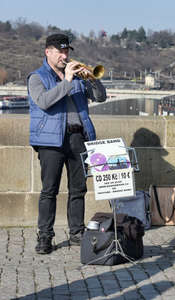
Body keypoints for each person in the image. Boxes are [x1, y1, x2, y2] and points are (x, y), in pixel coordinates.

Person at [28, 33, 107, 254]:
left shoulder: (78, 77)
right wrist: (67, 81)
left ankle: (76, 233)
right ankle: (45, 236)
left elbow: (101, 97)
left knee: (78, 189)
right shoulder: (37, 77)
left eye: (67, 51)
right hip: (50, 141)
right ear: (48, 52)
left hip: (77, 137)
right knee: (49, 190)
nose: (65, 55)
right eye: (60, 51)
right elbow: (44, 102)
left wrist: (92, 78)